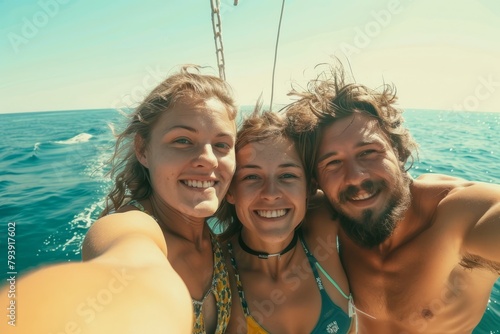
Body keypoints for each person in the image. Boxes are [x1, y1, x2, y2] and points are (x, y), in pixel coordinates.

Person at [0, 65, 237, 334]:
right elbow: (131, 272)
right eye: (183, 140)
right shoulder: (128, 227)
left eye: (221, 145)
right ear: (142, 150)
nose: (208, 159)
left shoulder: (225, 244)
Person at [285, 63, 500, 333]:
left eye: (368, 153)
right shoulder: (329, 213)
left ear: (398, 151)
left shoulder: (458, 216)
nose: (355, 177)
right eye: (333, 163)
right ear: (317, 180)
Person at [217, 108, 355, 333]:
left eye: (287, 175)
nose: (271, 193)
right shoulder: (214, 269)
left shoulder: (325, 225)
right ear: (230, 190)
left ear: (309, 188)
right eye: (251, 176)